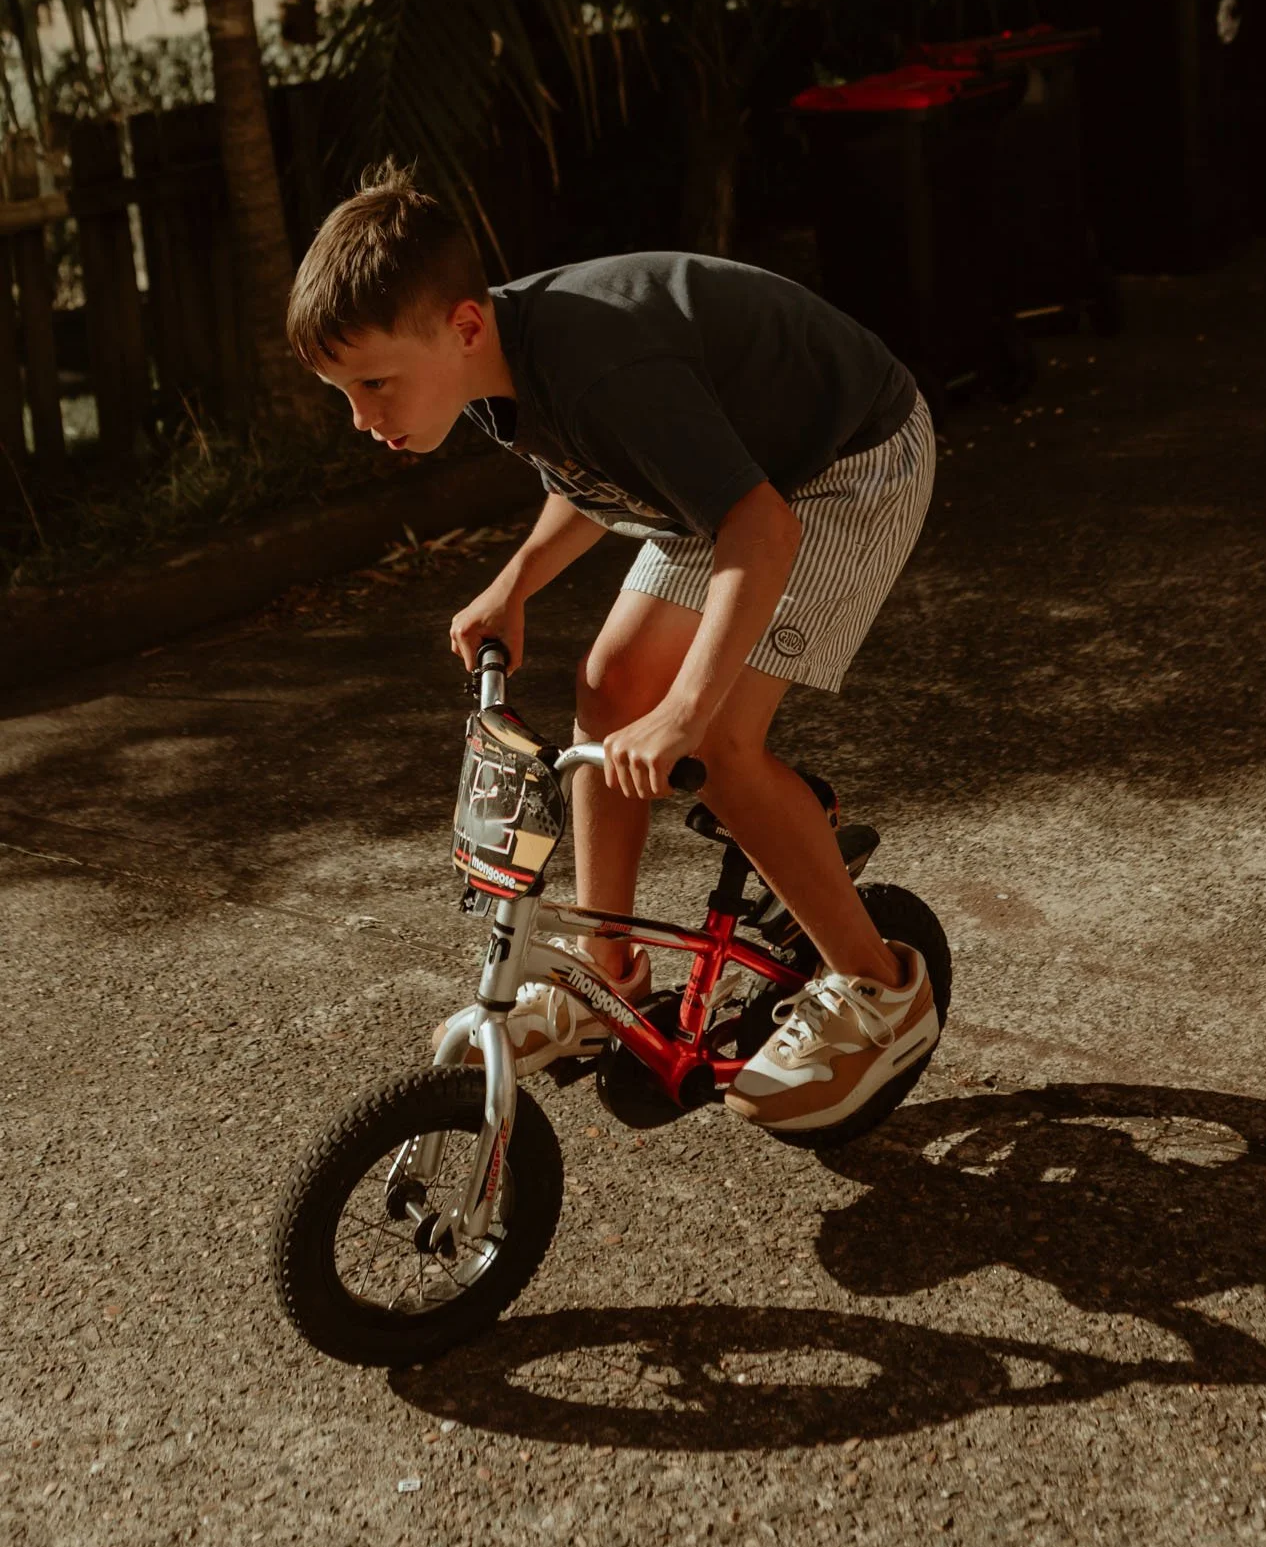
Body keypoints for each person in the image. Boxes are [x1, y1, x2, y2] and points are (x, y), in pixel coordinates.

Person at [285, 162, 939, 1132]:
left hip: (840, 470)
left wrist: (684, 712)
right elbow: (593, 466)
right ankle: (608, 980)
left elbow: (758, 528)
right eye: (344, 392)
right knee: (608, 681)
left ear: (461, 325)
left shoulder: (595, 360)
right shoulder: (493, 365)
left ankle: (881, 990)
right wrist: (514, 584)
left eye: (373, 383)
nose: (363, 418)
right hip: (735, 476)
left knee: (714, 743)